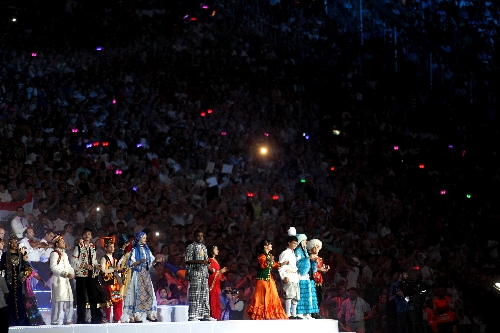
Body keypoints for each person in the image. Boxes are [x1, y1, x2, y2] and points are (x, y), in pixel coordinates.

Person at [123, 231, 161, 323]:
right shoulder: (134, 250)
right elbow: (130, 264)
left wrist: (156, 261)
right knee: (137, 295)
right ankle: (136, 315)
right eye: (143, 237)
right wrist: (140, 262)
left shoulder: (147, 250)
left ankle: (149, 314)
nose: (145, 239)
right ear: (139, 238)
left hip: (146, 274)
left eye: (145, 238)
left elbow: (150, 263)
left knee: (149, 293)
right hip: (138, 274)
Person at [246, 239, 289, 320]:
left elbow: (274, 264)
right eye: (269, 244)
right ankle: (261, 314)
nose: (271, 245)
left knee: (273, 295)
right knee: (261, 297)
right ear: (265, 246)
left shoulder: (269, 255)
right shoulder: (261, 256)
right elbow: (263, 265)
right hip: (262, 280)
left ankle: (271, 313)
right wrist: (270, 260)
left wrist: (282, 263)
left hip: (269, 279)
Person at [71, 228, 105, 324]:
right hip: (81, 275)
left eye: (89, 234)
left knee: (93, 296)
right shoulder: (79, 247)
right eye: (85, 234)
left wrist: (96, 265)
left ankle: (95, 317)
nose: (87, 236)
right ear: (82, 235)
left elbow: (93, 260)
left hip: (91, 275)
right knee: (81, 297)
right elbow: (73, 260)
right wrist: (84, 265)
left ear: (91, 236)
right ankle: (81, 319)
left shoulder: (92, 247)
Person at [184, 230, 215, 321]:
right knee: (194, 295)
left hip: (204, 274)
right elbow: (187, 260)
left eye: (201, 236)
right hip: (195, 273)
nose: (200, 237)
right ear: (194, 237)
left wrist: (208, 267)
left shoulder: (204, 247)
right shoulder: (191, 247)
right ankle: (192, 315)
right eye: (198, 236)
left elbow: (205, 261)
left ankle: (206, 314)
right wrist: (200, 262)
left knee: (205, 295)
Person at [0, 233, 29, 326]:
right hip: (9, 281)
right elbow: (0, 267)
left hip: (19, 280)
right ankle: (11, 321)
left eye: (15, 242)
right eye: (12, 243)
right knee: (10, 300)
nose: (14, 244)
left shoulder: (20, 254)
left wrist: (25, 274)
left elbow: (26, 267)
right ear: (9, 243)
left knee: (19, 299)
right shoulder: (5, 254)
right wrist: (5, 266)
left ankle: (21, 320)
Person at [50, 234, 75, 325]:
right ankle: (55, 320)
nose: (64, 243)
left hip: (66, 280)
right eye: (61, 242)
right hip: (58, 280)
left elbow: (68, 266)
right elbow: (53, 267)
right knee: (58, 301)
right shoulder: (54, 254)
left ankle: (68, 319)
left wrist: (72, 273)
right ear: (57, 244)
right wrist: (64, 273)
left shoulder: (64, 254)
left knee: (69, 300)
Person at [19, 246, 46, 326]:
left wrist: (42, 281)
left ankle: (35, 321)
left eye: (27, 257)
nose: (27, 258)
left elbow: (35, 275)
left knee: (32, 304)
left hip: (28, 289)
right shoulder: (19, 266)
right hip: (21, 288)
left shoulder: (28, 267)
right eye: (25, 257)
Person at [294, 233, 319, 319]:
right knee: (301, 294)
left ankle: (307, 313)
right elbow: (298, 264)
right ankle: (300, 312)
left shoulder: (305, 251)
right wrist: (308, 259)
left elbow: (309, 264)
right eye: (304, 240)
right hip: (300, 276)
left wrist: (314, 261)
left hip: (306, 276)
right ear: (300, 242)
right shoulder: (297, 252)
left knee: (307, 294)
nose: (306, 242)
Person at [100, 236, 123, 323]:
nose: (112, 248)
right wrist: (114, 269)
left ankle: (117, 318)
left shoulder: (114, 259)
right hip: (107, 282)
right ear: (106, 248)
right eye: (110, 247)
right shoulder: (104, 258)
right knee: (107, 301)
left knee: (118, 300)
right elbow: (103, 271)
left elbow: (116, 272)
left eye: (113, 246)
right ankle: (106, 317)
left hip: (115, 283)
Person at [278, 233, 301, 319]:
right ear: (289, 243)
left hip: (295, 277)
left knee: (295, 296)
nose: (295, 245)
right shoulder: (285, 253)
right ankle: (288, 313)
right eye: (294, 243)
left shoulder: (293, 253)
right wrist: (284, 277)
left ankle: (294, 314)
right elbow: (281, 267)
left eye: (296, 243)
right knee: (289, 295)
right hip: (288, 276)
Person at [307, 238, 330, 318]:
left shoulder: (320, 259)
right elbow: (309, 268)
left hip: (319, 280)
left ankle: (316, 311)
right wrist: (320, 269)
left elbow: (322, 269)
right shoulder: (309, 258)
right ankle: (313, 312)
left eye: (318, 247)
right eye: (315, 246)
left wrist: (325, 268)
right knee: (313, 296)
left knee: (320, 296)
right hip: (311, 279)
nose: (317, 248)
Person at [208, 245, 227, 320]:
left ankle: (216, 316)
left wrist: (220, 272)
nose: (217, 251)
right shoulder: (209, 260)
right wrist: (220, 272)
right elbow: (210, 273)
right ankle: (213, 315)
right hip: (212, 284)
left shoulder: (215, 260)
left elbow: (217, 272)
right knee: (212, 299)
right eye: (216, 249)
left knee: (216, 299)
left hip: (216, 284)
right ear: (212, 250)